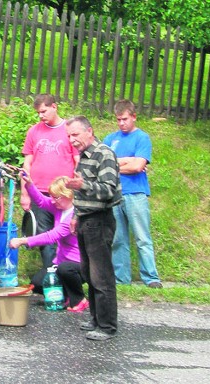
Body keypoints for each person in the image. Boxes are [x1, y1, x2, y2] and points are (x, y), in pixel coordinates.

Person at [65, 116, 122, 341]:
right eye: (69, 135)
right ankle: (96, 318)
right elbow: (82, 192)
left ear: (90, 131)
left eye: (76, 135)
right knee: (88, 273)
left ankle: (107, 326)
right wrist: (76, 215)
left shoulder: (104, 154)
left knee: (102, 276)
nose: (72, 139)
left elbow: (109, 189)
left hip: (100, 220)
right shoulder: (85, 156)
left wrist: (83, 185)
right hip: (86, 220)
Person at [103, 100, 162, 288]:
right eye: (118, 120)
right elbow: (103, 165)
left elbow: (138, 166)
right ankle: (121, 278)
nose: (121, 123)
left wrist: (117, 164)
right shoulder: (110, 139)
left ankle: (151, 277)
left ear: (134, 117)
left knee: (142, 237)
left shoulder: (142, 138)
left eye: (125, 119)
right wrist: (127, 161)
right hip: (114, 194)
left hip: (135, 193)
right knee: (118, 239)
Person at [9, 175, 88, 312]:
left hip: (78, 265)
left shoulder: (74, 217)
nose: (52, 200)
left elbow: (51, 236)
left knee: (65, 269)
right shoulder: (59, 208)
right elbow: (40, 201)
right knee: (38, 282)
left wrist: (23, 241)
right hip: (61, 263)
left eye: (55, 197)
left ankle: (79, 299)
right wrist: (29, 184)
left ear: (67, 195)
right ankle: (65, 294)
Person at [21, 94, 79, 269]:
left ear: (54, 107)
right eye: (38, 112)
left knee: (64, 233)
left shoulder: (68, 130)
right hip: (40, 192)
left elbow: (77, 161)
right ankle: (50, 273)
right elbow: (27, 163)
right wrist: (25, 192)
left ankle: (67, 269)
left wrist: (78, 187)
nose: (41, 115)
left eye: (44, 111)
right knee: (44, 235)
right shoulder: (34, 131)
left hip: (63, 194)